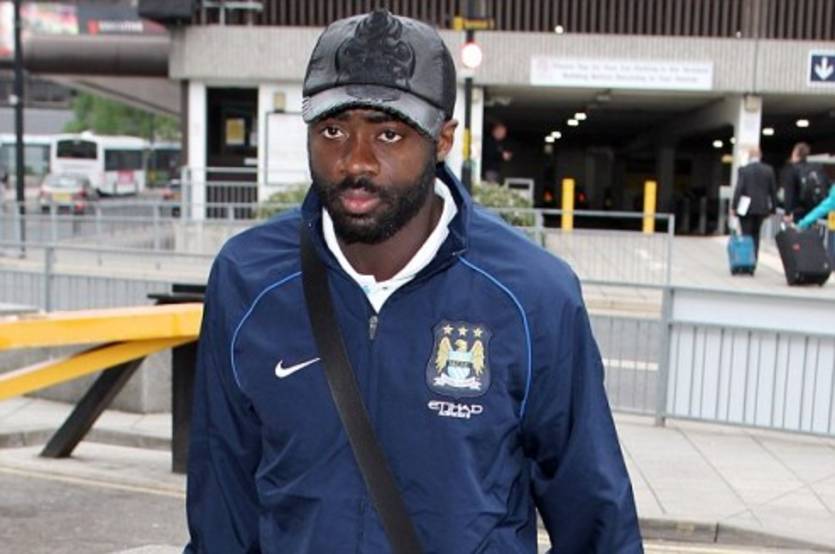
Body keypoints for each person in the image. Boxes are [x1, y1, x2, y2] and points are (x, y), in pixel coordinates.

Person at [185, 9, 641, 554]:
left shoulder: (533, 295)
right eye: (333, 130)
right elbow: (222, 512)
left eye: (389, 133)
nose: (356, 161)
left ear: (443, 140)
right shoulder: (247, 278)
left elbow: (595, 518)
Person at [732, 148, 777, 259]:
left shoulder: (743, 170)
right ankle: (754, 259)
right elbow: (773, 191)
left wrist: (734, 206)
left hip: (745, 208)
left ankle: (745, 259)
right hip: (762, 208)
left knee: (746, 234)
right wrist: (773, 209)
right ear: (760, 156)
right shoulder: (768, 170)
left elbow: (739, 189)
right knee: (756, 234)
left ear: (749, 156)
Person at [781, 142, 827, 221]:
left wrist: (787, 213)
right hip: (816, 213)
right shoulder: (817, 168)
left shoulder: (792, 169)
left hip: (797, 214)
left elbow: (789, 194)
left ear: (795, 153)